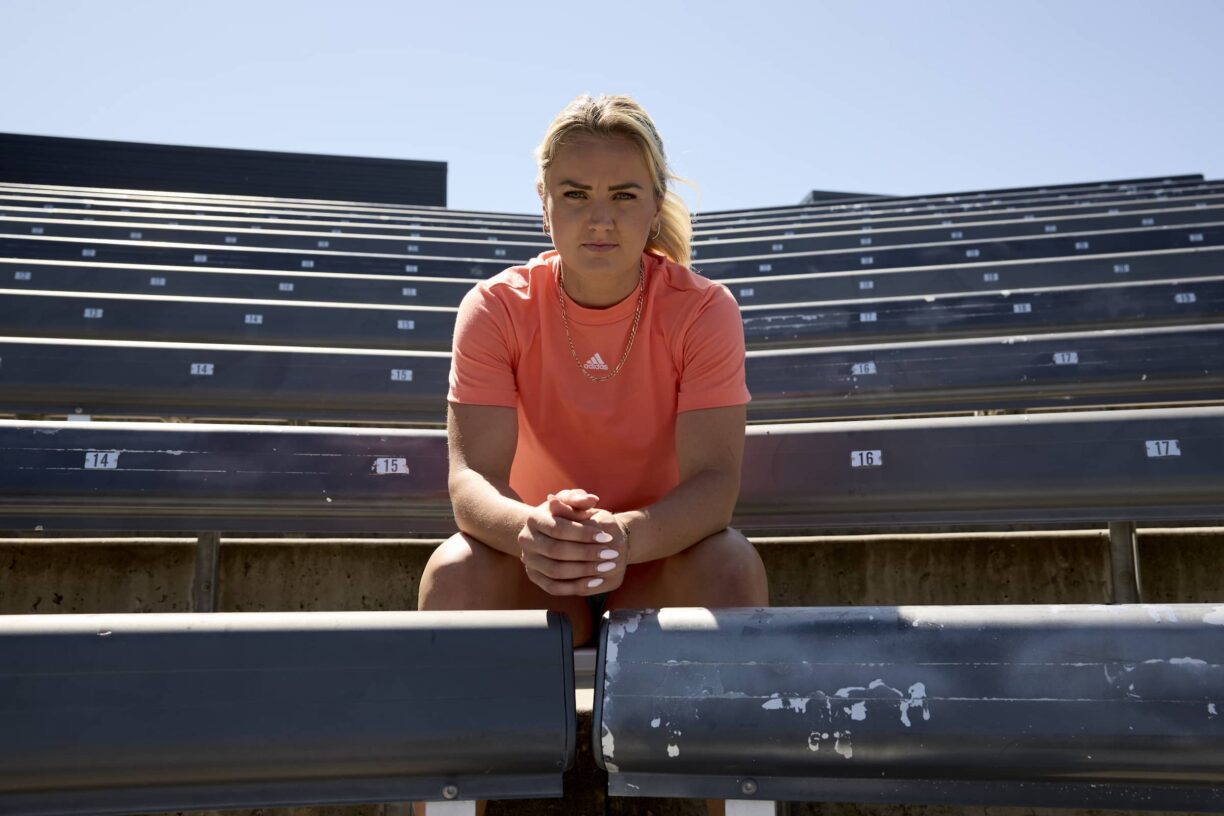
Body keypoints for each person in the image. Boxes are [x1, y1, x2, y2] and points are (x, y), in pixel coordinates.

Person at [414, 94, 769, 815]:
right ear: (544, 202)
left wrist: (624, 538)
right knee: (453, 572)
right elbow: (470, 478)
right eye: (574, 195)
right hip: (538, 562)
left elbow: (713, 484)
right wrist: (529, 532)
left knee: (733, 566)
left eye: (623, 195)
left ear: (653, 203)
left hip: (661, 554)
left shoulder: (703, 309)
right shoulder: (495, 307)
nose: (599, 218)